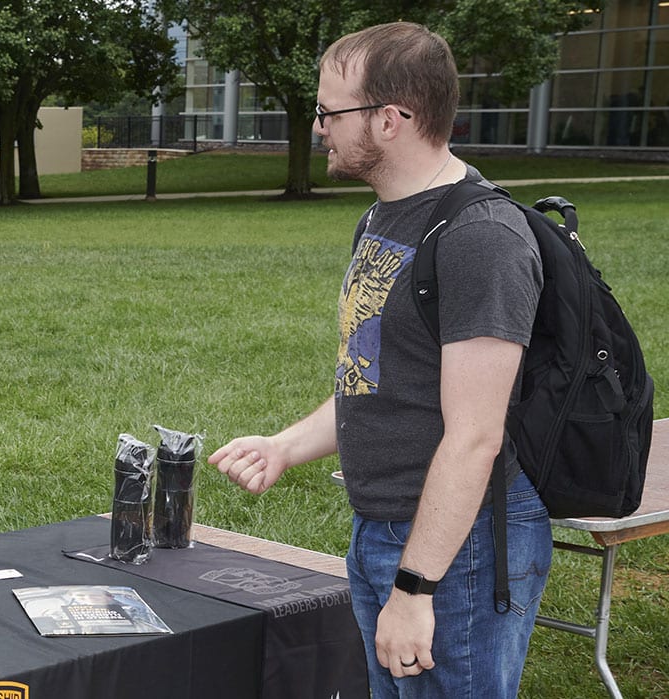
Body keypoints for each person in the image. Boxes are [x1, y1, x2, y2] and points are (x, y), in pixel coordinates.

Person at [206, 22, 549, 698]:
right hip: (382, 530)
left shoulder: (480, 238)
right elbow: (371, 381)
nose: (318, 128)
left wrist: (417, 587)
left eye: (330, 112)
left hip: (459, 548)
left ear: (391, 119)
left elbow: (476, 436)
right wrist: (285, 445)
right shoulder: (382, 218)